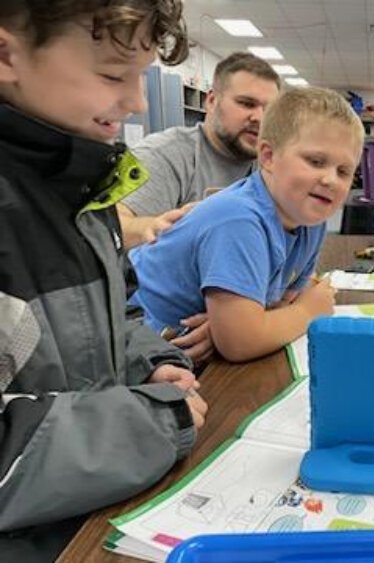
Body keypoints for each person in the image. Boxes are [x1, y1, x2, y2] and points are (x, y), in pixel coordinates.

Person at [0, 0, 208, 560]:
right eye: (113, 75)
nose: (139, 102)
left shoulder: (84, 186)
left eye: (141, 76)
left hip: (90, 517)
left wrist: (150, 363)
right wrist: (148, 426)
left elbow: (118, 315)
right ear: (6, 55)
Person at [129, 87, 364, 362]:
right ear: (268, 157)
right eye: (315, 161)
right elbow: (241, 343)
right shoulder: (238, 219)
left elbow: (284, 301)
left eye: (344, 171)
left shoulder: (310, 220)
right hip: (133, 345)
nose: (331, 180)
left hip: (185, 352)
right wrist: (308, 312)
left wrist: (240, 323)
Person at [117, 51, 281, 249]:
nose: (259, 118)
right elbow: (112, 224)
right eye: (246, 104)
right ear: (211, 101)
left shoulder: (271, 164)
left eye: (269, 110)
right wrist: (154, 227)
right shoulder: (164, 154)